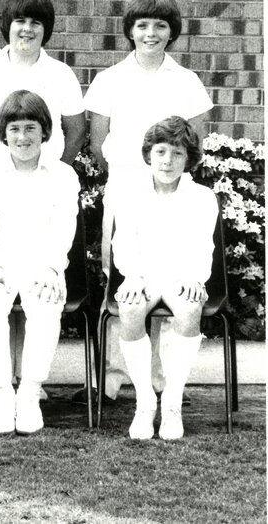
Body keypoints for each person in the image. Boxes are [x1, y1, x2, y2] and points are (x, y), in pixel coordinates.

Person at [83, 0, 213, 402]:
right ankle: (113, 376)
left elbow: (197, 141)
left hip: (173, 189)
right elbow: (99, 142)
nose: (151, 33)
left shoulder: (187, 82)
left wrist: (167, 173)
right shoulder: (109, 80)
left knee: (168, 275)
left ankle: (160, 378)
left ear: (171, 32)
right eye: (142, 25)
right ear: (130, 31)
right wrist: (130, 178)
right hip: (125, 188)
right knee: (123, 279)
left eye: (160, 26)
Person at [0, 90, 80, 435]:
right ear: (3, 134)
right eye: (14, 129)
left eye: (31, 128)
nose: (22, 137)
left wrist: (51, 268)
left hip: (43, 262)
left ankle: (30, 393)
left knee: (46, 304)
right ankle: (1, 394)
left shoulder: (62, 175)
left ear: (45, 131)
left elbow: (65, 227)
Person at [111, 117, 216, 440]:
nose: (167, 161)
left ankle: (171, 403)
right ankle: (145, 403)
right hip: (143, 275)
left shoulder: (201, 197)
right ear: (149, 154)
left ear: (189, 159)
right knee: (129, 310)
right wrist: (131, 276)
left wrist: (195, 277)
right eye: (160, 152)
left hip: (180, 275)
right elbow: (123, 241)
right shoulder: (131, 194)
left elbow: (203, 244)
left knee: (188, 309)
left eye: (177, 153)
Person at [0, 0, 86, 168]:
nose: (27, 29)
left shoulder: (62, 75)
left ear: (45, 29)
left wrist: (56, 173)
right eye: (20, 21)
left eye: (35, 23)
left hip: (45, 182)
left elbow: (77, 132)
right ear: (8, 25)